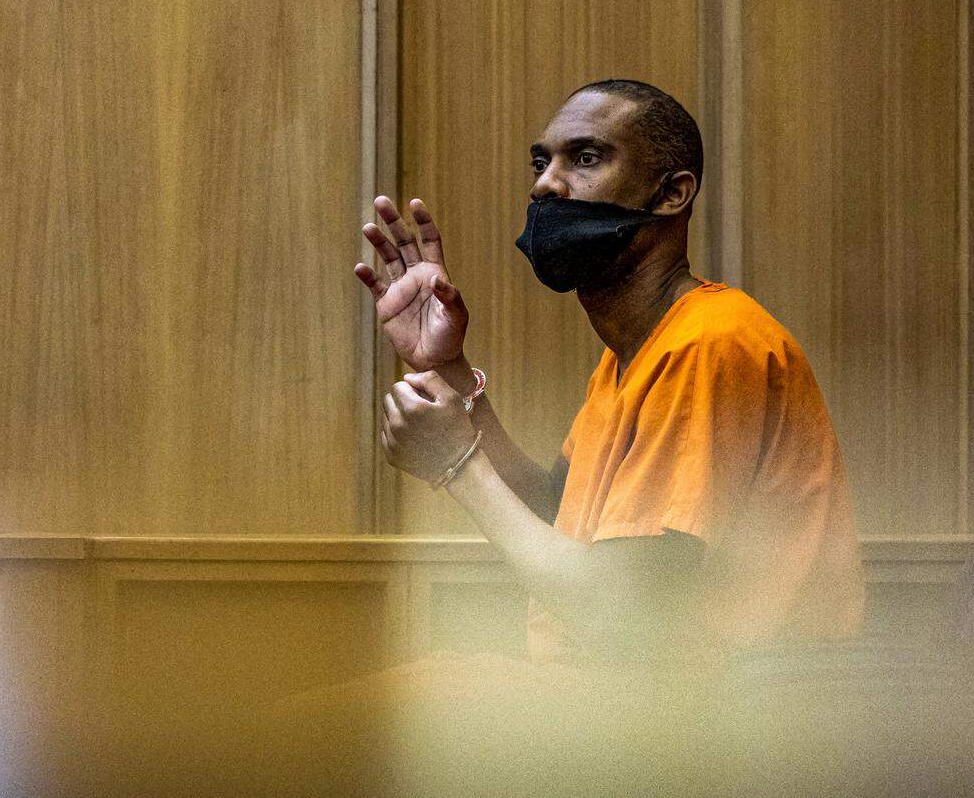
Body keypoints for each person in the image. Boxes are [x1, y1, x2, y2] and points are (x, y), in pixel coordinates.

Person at [355, 79, 865, 667]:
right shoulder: (632, 352)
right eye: (542, 162)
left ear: (672, 194)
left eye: (587, 158)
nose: (545, 183)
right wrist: (449, 367)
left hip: (717, 726)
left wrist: (458, 468)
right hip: (627, 702)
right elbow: (556, 513)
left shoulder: (711, 340)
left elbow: (627, 612)